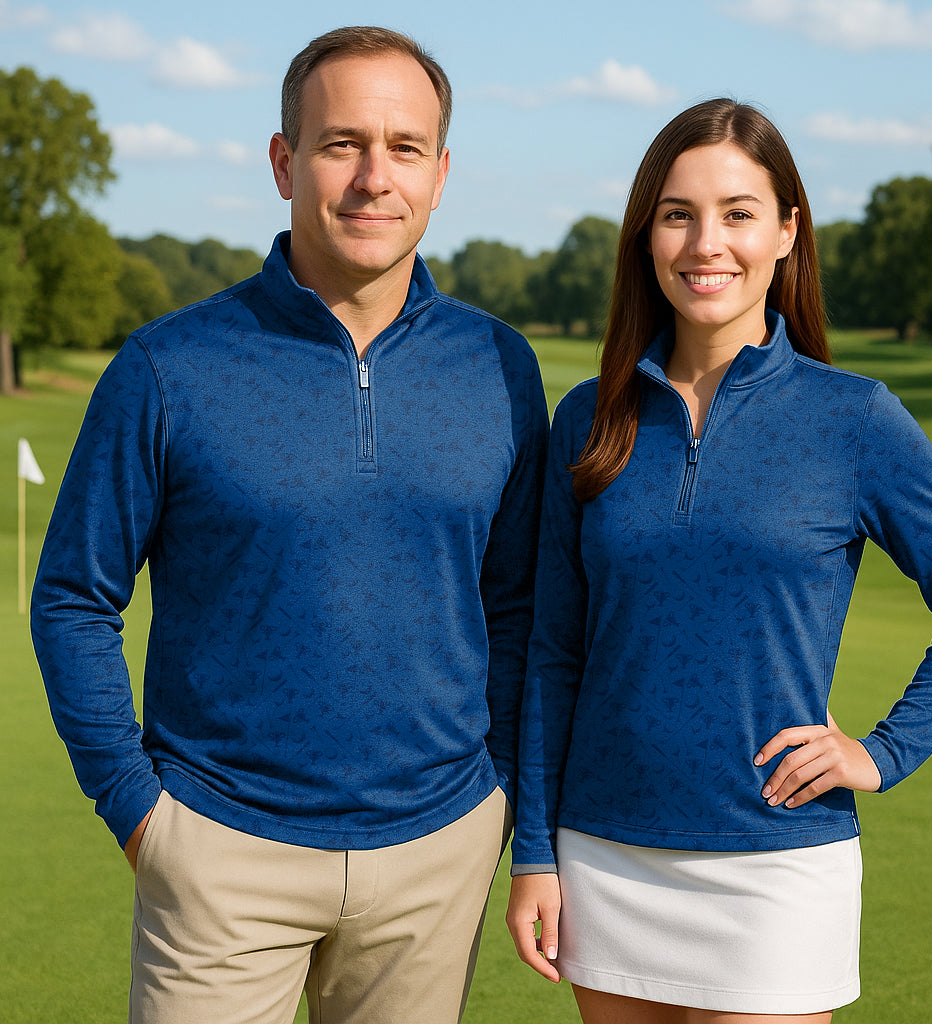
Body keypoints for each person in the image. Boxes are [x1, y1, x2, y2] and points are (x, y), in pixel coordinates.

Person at [32, 25, 548, 1024]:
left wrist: (496, 797)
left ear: (440, 175)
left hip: (434, 853)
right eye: (339, 143)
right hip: (218, 850)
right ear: (284, 161)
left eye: (403, 149)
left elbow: (520, 602)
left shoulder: (500, 366)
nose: (371, 178)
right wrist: (141, 816)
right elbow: (73, 597)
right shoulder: (167, 366)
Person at [505, 98, 932, 1024]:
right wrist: (536, 854)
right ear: (646, 235)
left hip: (777, 861)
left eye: (739, 213)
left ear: (786, 232)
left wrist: (883, 752)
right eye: (678, 213)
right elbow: (554, 653)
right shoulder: (587, 418)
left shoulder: (854, 419)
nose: (708, 243)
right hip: (606, 853)